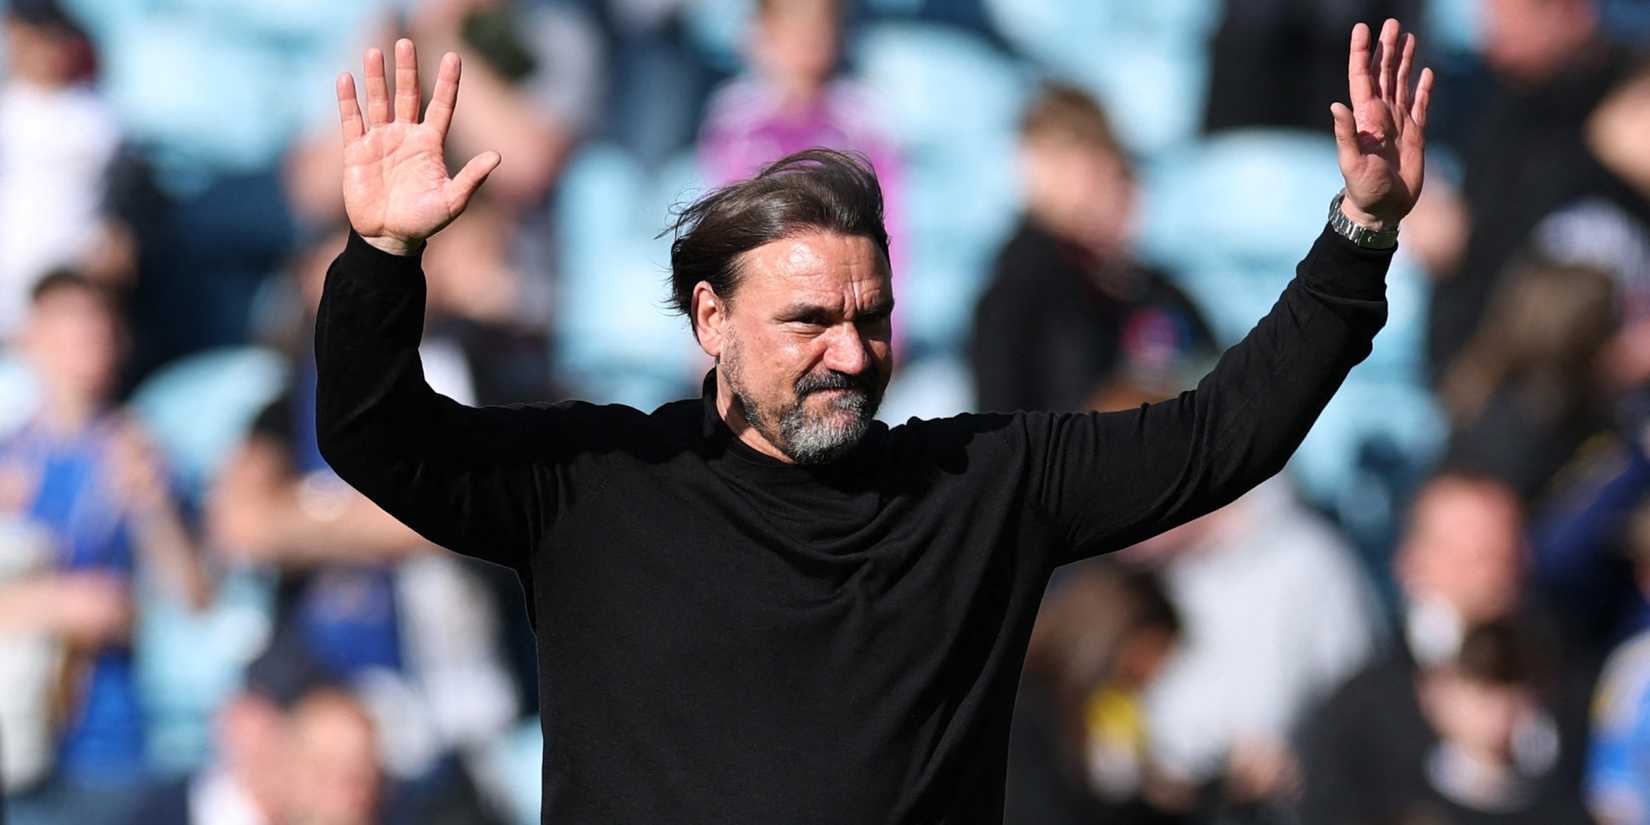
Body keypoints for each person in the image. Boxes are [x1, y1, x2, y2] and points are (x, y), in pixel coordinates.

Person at [315, 20, 1433, 822]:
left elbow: (1221, 434)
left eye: (873, 318)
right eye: (809, 321)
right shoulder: (594, 480)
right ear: (711, 318)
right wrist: (382, 257)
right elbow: (375, 435)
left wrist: (1361, 232)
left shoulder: (983, 483)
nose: (851, 355)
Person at [0, 271, 207, 825]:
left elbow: (193, 598)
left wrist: (154, 509)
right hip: (17, 725)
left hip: (108, 744)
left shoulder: (141, 455)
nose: (83, 348)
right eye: (67, 332)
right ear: (32, 339)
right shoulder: (11, 460)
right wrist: (55, 605)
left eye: (96, 331)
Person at [1294, 471, 1594, 824]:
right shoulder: (1361, 712)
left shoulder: (1575, 684)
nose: (1490, 577)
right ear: (1411, 563)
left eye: (1502, 555)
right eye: (1469, 557)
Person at [971, 82, 1216, 413]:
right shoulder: (1020, 285)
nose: (1100, 185)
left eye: (1115, 173)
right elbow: (1000, 411)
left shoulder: (1155, 289)